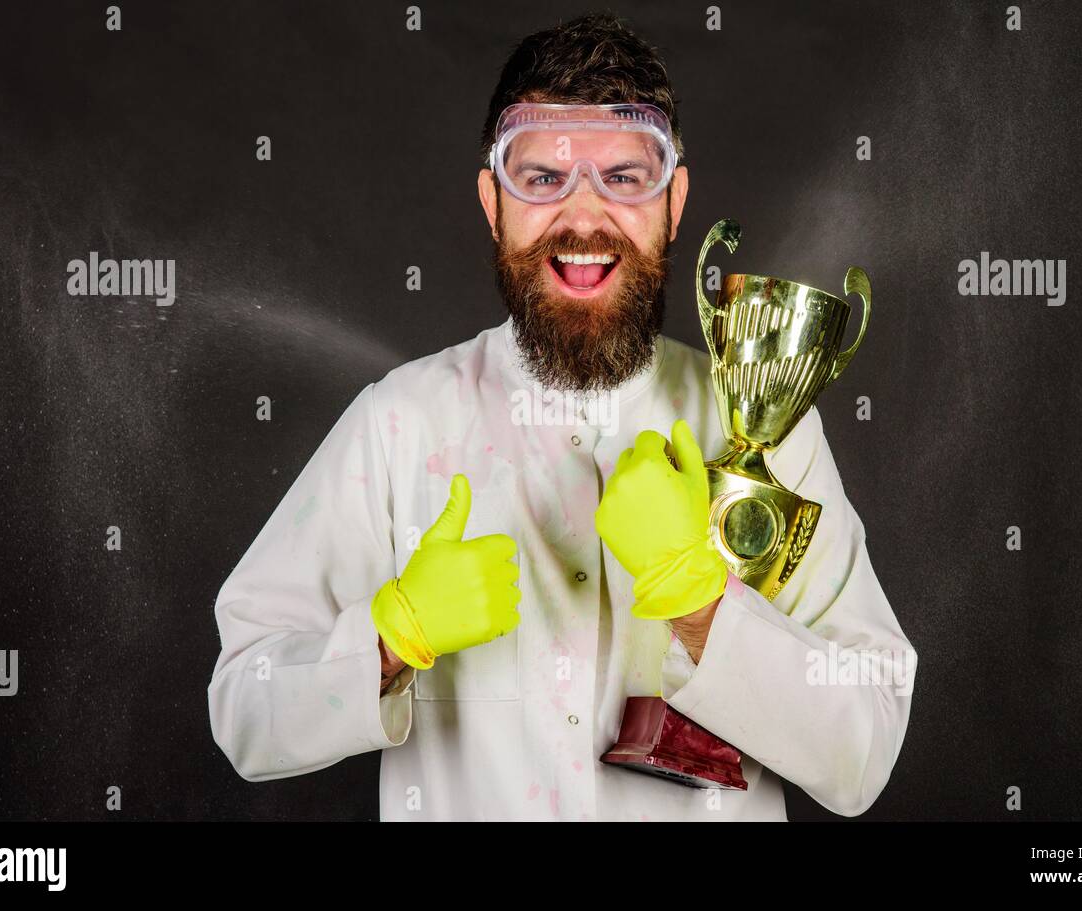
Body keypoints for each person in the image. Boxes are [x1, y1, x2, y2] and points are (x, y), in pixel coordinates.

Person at [207, 12, 916, 821]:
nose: (584, 217)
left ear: (675, 202)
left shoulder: (766, 427)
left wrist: (704, 604)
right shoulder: (398, 425)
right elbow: (242, 708)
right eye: (542, 177)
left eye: (625, 176)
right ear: (492, 203)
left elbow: (865, 750)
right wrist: (390, 638)